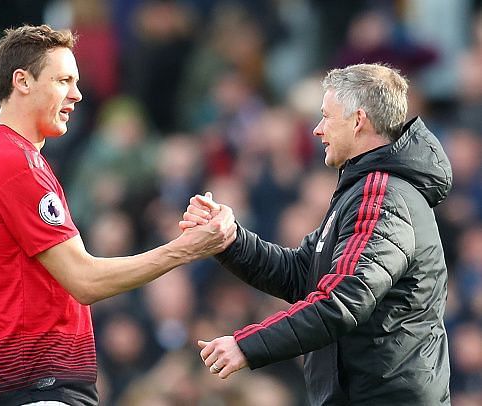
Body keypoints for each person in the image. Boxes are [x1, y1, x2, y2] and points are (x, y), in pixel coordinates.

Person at [0, 24, 236, 406]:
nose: (77, 94)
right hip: (37, 387)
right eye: (63, 80)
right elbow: (84, 280)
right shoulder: (14, 164)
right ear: (22, 81)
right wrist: (185, 249)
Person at [181, 63, 453, 405]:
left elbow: (341, 300)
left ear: (357, 121)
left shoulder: (383, 196)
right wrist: (229, 238)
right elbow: (299, 274)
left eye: (326, 116)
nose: (317, 129)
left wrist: (247, 345)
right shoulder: (363, 190)